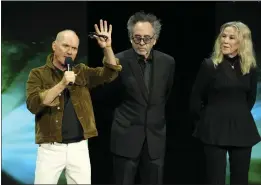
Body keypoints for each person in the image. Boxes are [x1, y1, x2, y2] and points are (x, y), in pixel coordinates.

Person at [26, 20, 122, 184]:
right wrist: (62, 84)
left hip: (79, 147)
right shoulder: (38, 74)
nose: (70, 51)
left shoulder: (82, 72)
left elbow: (110, 73)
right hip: (51, 148)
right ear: (54, 46)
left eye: (74, 48)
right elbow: (34, 104)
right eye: (65, 46)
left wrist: (107, 47)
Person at [190, 21, 261, 184]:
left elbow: (249, 99)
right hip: (213, 129)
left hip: (242, 129)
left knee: (240, 178)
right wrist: (207, 118)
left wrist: (237, 114)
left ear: (242, 42)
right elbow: (196, 98)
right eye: (223, 36)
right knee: (215, 179)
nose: (225, 41)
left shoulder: (249, 67)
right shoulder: (209, 66)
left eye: (231, 37)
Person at [109, 11, 175, 185]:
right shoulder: (117, 61)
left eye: (147, 38)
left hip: (155, 140)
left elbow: (164, 95)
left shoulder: (168, 62)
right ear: (131, 38)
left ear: (155, 39)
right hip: (125, 137)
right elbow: (108, 95)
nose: (142, 43)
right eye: (137, 38)